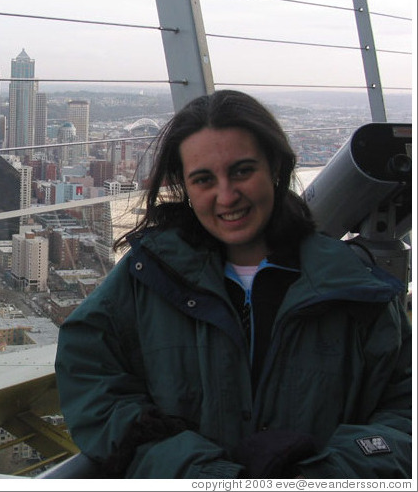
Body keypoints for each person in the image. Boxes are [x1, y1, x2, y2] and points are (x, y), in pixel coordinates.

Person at [55, 90, 411, 479]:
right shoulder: (147, 277)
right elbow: (91, 381)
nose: (226, 196)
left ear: (275, 167)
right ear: (186, 188)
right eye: (204, 179)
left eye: (242, 171)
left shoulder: (357, 287)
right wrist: (194, 470)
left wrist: (325, 473)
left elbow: (404, 413)